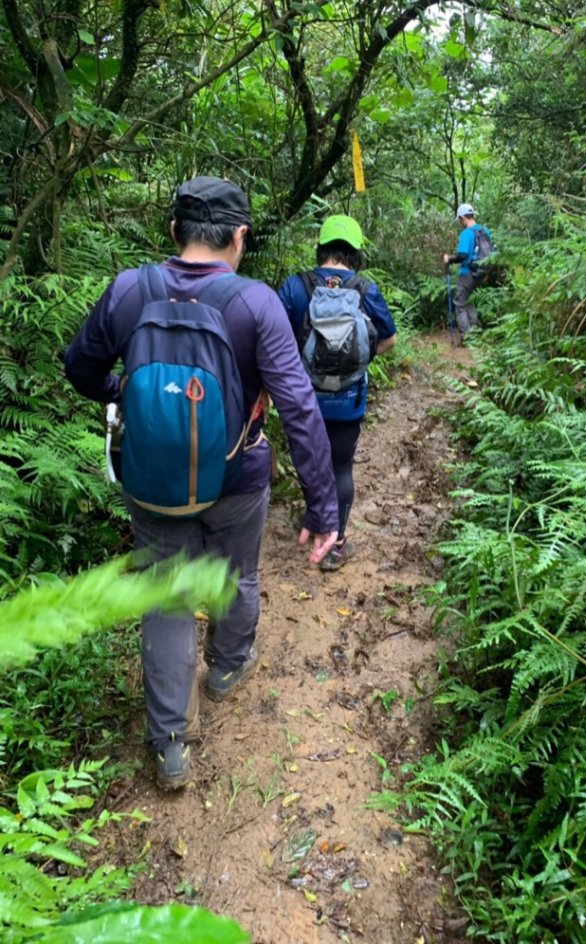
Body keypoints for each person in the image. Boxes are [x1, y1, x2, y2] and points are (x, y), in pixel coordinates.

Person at [64, 176, 339, 790]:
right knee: (238, 572)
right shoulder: (254, 303)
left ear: (173, 233)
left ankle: (170, 744)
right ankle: (227, 665)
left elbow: (79, 366)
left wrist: (122, 396)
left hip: (151, 481)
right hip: (238, 476)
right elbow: (298, 406)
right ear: (239, 237)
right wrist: (322, 508)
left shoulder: (130, 290)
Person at [277, 215, 397, 571]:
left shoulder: (296, 286)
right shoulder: (365, 288)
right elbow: (389, 339)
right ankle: (337, 544)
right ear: (355, 253)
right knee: (341, 467)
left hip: (303, 398)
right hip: (349, 400)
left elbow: (274, 341)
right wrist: (357, 360)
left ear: (322, 248)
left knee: (310, 463)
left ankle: (316, 518)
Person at [442, 202, 490, 344]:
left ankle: (467, 337)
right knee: (470, 301)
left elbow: (462, 255)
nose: (460, 222)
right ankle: (476, 332)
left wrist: (449, 259)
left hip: (467, 273)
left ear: (463, 217)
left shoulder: (466, 233)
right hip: (481, 273)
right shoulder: (485, 231)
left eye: (460, 220)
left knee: (460, 303)